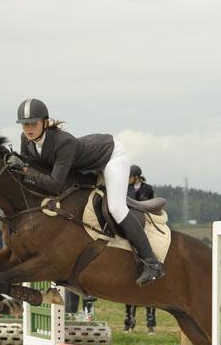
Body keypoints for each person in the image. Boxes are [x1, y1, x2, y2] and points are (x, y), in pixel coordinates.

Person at [10, 98, 165, 285]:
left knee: (116, 207)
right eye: (24, 124)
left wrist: (24, 169)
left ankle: (152, 263)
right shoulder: (26, 140)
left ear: (44, 122)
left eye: (33, 123)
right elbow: (31, 172)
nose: (28, 128)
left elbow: (53, 184)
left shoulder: (62, 142)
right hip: (84, 167)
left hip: (110, 156)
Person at [124, 164, 157, 331]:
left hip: (145, 221)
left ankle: (151, 323)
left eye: (129, 177)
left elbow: (151, 207)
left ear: (136, 177)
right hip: (131, 222)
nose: (127, 179)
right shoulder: (126, 189)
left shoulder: (148, 189)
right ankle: (128, 321)